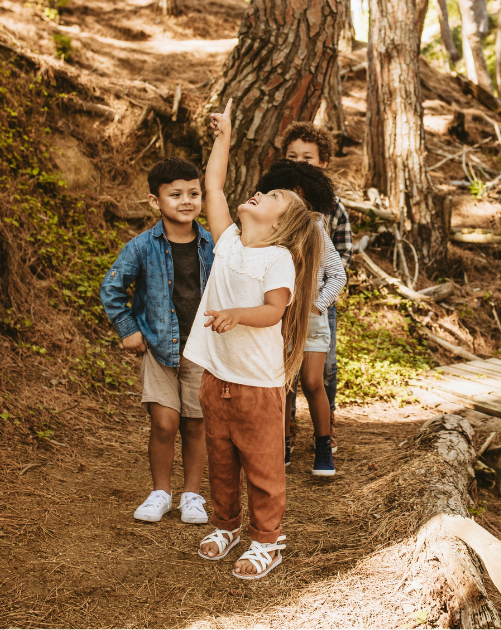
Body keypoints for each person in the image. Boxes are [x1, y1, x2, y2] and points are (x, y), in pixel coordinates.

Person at [188, 99, 323, 579]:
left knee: (263, 467)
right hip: (216, 375)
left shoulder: (278, 259)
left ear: (280, 224)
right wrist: (223, 138)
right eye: (262, 193)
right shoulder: (227, 241)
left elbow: (274, 310)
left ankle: (268, 540)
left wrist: (236, 315)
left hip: (257, 384)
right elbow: (214, 185)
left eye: (270, 199)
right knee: (220, 460)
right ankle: (225, 525)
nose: (259, 195)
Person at [100, 157, 212, 525]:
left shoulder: (212, 243)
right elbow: (112, 287)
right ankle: (160, 492)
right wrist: (128, 329)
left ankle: (192, 496)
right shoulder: (142, 246)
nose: (186, 201)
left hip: (201, 349)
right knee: (164, 423)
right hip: (160, 349)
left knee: (196, 423)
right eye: (175, 194)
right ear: (155, 201)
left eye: (194, 193)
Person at [255, 160, 347, 476]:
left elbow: (337, 273)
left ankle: (323, 446)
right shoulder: (269, 230)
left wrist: (317, 306)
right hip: (279, 320)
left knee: (311, 381)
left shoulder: (315, 229)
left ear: (298, 192)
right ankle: (280, 446)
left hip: (311, 322)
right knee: (282, 385)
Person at [282, 123, 353, 452]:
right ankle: (287, 427)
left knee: (323, 368)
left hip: (320, 300)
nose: (300, 162)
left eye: (307, 157)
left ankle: (327, 426)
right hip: (283, 301)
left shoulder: (331, 206)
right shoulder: (278, 201)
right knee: (285, 367)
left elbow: (344, 254)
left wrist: (322, 297)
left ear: (323, 161)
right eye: (292, 156)